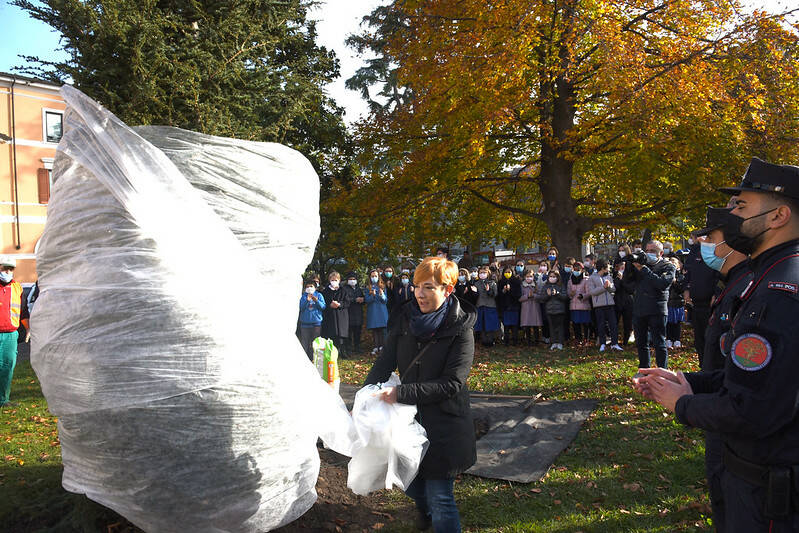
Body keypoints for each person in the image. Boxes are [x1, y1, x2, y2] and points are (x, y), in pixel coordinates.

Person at [633, 157, 799, 532]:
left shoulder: (778, 292)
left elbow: (752, 411)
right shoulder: (768, 276)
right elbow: (748, 378)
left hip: (768, 490)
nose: (732, 215)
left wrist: (682, 403)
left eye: (741, 206)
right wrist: (694, 383)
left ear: (779, 216)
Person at [364, 256, 476, 533]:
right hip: (408, 421)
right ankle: (424, 510)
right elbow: (384, 362)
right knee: (411, 484)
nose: (419, 294)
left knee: (441, 497)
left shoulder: (461, 330)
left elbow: (452, 382)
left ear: (447, 290)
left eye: (428, 287)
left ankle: (434, 515)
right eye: (416, 286)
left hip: (444, 424)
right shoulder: (406, 319)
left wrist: (401, 392)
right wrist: (363, 397)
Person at [631, 240, 676, 368]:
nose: (649, 253)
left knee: (659, 343)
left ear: (661, 253)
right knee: (641, 343)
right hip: (640, 308)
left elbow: (662, 284)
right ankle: (644, 369)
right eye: (647, 251)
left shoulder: (668, 266)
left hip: (657, 309)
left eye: (653, 251)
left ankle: (662, 370)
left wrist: (644, 270)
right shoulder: (641, 265)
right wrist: (631, 265)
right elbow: (628, 283)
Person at [683, 231, 718, 368]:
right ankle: (703, 366)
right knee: (699, 340)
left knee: (710, 339)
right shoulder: (695, 251)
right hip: (696, 303)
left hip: (711, 303)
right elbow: (688, 270)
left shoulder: (716, 250)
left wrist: (716, 293)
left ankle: (711, 368)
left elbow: (720, 274)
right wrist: (686, 289)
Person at [0, 257, 30, 406]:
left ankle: (3, 399)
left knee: (7, 365)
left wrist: (28, 328)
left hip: (11, 334)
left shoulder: (18, 288)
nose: (7, 272)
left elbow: (23, 311)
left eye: (10, 269)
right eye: (4, 268)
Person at [588, 259, 623, 352]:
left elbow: (613, 289)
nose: (609, 269)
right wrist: (603, 287)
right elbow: (592, 292)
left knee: (613, 324)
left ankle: (614, 343)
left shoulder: (609, 277)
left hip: (610, 304)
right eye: (607, 267)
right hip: (599, 305)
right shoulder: (592, 278)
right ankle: (603, 343)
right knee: (601, 325)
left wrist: (609, 286)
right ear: (603, 268)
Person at [321, 270, 351, 359]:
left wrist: (340, 304)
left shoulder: (343, 290)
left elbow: (347, 302)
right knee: (332, 334)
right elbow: (323, 303)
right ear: (329, 280)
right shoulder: (325, 291)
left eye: (336, 280)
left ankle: (343, 351)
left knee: (341, 335)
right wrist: (330, 305)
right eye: (332, 280)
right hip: (330, 316)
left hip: (341, 315)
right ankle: (333, 352)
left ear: (339, 280)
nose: (334, 281)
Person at [538, 269, 568, 350]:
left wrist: (557, 294)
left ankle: (560, 342)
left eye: (554, 276)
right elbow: (542, 298)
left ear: (557, 277)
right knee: (551, 327)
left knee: (560, 327)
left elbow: (565, 297)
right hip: (549, 310)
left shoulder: (561, 286)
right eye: (550, 276)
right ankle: (554, 342)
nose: (552, 278)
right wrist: (548, 295)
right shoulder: (545, 286)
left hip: (560, 310)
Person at [298, 278, 326, 359]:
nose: (309, 288)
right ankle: (304, 359)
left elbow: (323, 307)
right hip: (305, 324)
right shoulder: (303, 296)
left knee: (315, 343)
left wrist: (317, 301)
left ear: (315, 287)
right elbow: (300, 308)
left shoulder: (319, 295)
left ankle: (315, 358)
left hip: (316, 323)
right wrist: (307, 300)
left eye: (311, 286)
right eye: (307, 287)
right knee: (305, 343)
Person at [365, 269, 389, 355]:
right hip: (373, 311)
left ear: (379, 277)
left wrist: (382, 294)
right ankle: (376, 346)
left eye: (375, 276)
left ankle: (383, 347)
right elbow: (366, 300)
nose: (374, 278)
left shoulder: (382, 286)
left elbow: (385, 300)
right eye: (372, 276)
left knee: (383, 330)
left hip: (382, 311)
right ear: (370, 277)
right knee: (375, 330)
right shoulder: (368, 288)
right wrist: (373, 296)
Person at [567, 262, 591, 345]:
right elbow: (568, 292)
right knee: (575, 323)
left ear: (582, 270)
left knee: (585, 323)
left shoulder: (586, 280)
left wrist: (583, 296)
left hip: (584, 305)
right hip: (573, 305)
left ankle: (586, 339)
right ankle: (578, 338)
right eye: (575, 269)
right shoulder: (570, 281)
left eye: (578, 269)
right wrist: (571, 294)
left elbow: (589, 292)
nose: (576, 271)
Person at [474, 265, 498, 346]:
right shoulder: (476, 283)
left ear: (488, 273)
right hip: (480, 305)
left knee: (490, 324)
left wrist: (488, 290)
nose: (482, 274)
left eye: (484, 273)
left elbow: (495, 294)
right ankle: (484, 340)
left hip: (490, 306)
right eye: (480, 273)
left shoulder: (492, 283)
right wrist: (474, 292)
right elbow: (475, 296)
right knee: (482, 324)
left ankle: (490, 340)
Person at [497, 266, 522, 345]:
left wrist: (510, 290)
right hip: (505, 307)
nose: (507, 274)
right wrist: (503, 291)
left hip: (514, 306)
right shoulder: (501, 282)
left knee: (514, 325)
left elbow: (518, 294)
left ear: (512, 273)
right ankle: (506, 340)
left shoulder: (516, 282)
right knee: (506, 325)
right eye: (506, 272)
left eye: (509, 272)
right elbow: (498, 295)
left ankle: (515, 340)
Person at [614, 250, 634, 345]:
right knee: (615, 322)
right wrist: (618, 278)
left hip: (628, 302)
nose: (622, 269)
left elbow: (630, 289)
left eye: (623, 267)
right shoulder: (616, 275)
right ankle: (615, 340)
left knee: (627, 323)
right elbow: (615, 288)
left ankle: (626, 340)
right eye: (620, 267)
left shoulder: (630, 276)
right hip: (618, 301)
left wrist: (623, 280)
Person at [666, 257, 686, 349]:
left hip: (678, 303)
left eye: (674, 262)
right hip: (668, 303)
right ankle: (669, 339)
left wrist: (675, 282)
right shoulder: (666, 274)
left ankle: (677, 339)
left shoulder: (681, 276)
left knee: (677, 323)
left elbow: (681, 289)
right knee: (668, 323)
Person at [519, 269, 542, 345]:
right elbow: (519, 298)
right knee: (527, 325)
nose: (529, 278)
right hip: (526, 308)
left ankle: (536, 340)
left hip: (535, 307)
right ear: (524, 277)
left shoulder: (536, 285)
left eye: (531, 276)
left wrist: (534, 296)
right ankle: (528, 340)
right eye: (527, 276)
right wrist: (527, 296)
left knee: (535, 325)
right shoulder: (522, 286)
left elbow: (540, 296)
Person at [346, 272, 365, 354]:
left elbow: (363, 298)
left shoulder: (359, 289)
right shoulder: (344, 289)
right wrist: (355, 300)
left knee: (358, 332)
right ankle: (349, 348)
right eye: (350, 279)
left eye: (354, 279)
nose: (352, 281)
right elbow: (346, 299)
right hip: (349, 313)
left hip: (358, 314)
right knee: (349, 333)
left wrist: (362, 300)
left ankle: (357, 347)